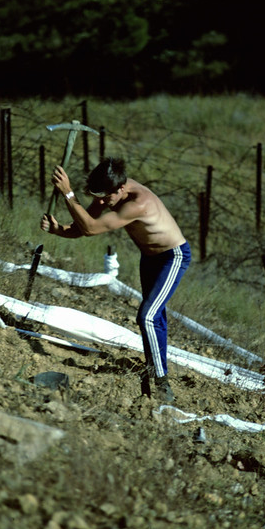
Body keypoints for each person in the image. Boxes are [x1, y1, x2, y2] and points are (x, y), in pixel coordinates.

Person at [40, 157, 191, 402]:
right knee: (155, 317)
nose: (101, 202)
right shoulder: (109, 191)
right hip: (150, 258)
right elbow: (83, 226)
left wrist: (68, 194)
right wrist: (59, 230)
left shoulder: (138, 203)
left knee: (147, 316)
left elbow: (91, 228)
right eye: (97, 196)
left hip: (171, 257)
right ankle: (155, 369)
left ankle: (161, 382)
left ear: (121, 189)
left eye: (105, 198)